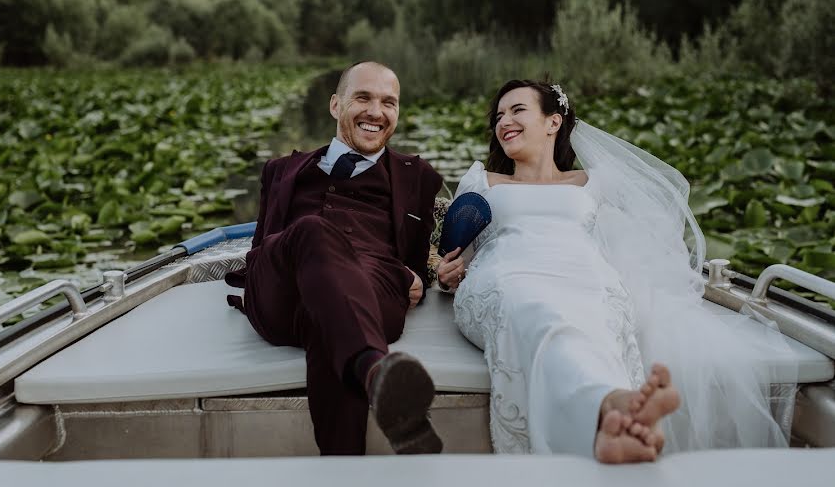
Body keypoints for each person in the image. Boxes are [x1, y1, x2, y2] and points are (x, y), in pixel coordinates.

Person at [438, 79, 794, 463]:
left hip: (586, 278)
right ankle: (611, 406)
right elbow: (459, 257)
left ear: (553, 122)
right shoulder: (482, 182)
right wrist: (449, 274)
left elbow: (636, 242)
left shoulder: (594, 183)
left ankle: (612, 418)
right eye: (499, 115)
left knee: (592, 317)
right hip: (509, 278)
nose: (503, 120)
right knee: (539, 311)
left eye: (517, 110)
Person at [225, 61, 444, 456]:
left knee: (328, 317)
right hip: (281, 289)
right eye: (363, 98)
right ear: (334, 105)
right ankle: (376, 371)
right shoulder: (279, 171)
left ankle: (357, 424)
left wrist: (417, 277)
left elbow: (417, 262)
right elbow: (260, 246)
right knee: (312, 229)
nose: (376, 112)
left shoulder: (420, 177)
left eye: (388, 103)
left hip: (370, 285)